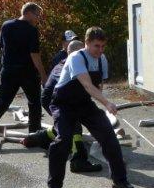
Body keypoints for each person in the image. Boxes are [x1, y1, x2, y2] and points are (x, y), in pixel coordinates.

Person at [47, 26, 134, 188]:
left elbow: (97, 87)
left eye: (103, 46)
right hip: (63, 104)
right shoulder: (76, 57)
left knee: (108, 135)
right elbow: (87, 84)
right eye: (96, 46)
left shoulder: (102, 59)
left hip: (84, 103)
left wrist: (103, 105)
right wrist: (107, 103)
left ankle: (120, 180)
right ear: (86, 43)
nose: (100, 50)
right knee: (63, 140)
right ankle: (55, 186)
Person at [21, 39, 102, 174]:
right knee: (73, 125)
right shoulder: (69, 66)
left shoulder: (69, 63)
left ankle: (36, 138)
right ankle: (78, 161)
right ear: (76, 53)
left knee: (65, 126)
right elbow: (68, 90)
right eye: (83, 51)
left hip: (54, 97)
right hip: (53, 99)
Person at [0, 2, 48, 145]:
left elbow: (2, 47)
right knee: (34, 102)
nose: (38, 18)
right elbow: (34, 54)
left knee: (3, 101)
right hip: (27, 71)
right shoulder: (31, 30)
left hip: (8, 70)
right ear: (28, 13)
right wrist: (43, 75)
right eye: (37, 15)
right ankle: (34, 135)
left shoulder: (6, 25)